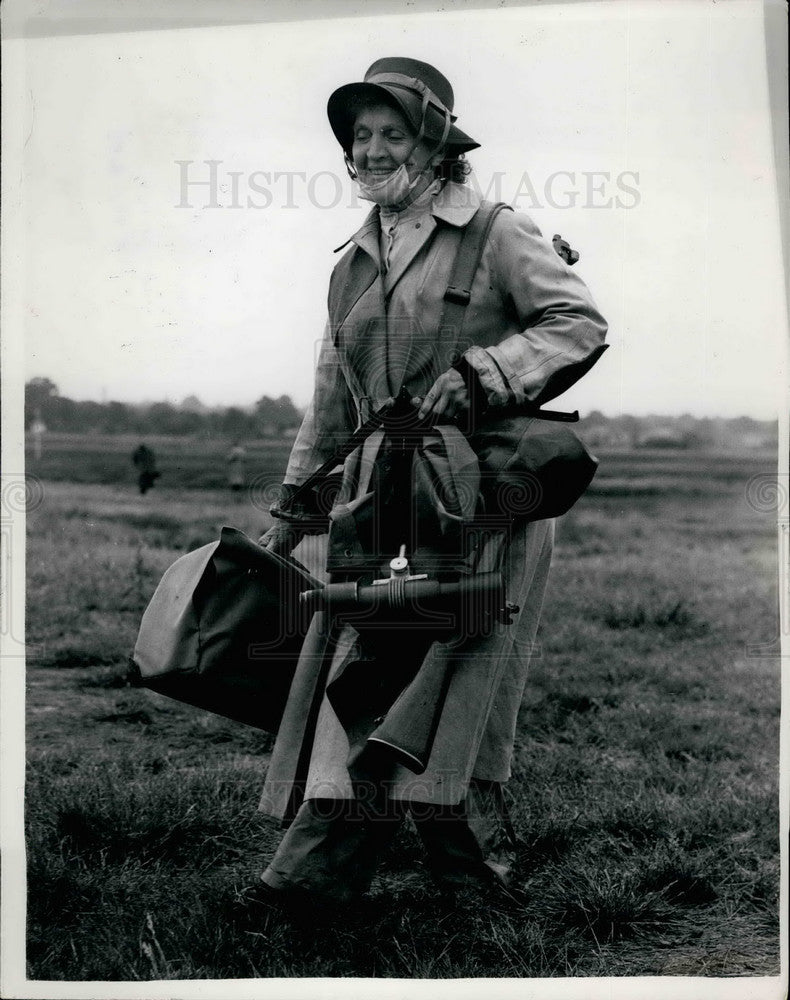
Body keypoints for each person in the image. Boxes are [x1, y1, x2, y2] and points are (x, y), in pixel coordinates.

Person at [255, 57, 608, 908]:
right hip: (376, 500)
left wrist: (486, 372)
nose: (372, 151)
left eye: (393, 133)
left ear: (437, 145)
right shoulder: (350, 264)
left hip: (479, 494)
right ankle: (341, 870)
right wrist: (294, 505)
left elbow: (578, 322)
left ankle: (443, 869)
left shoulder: (497, 231)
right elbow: (333, 396)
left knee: (458, 671)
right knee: (367, 662)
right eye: (360, 136)